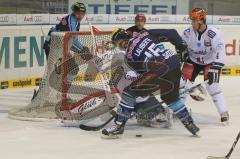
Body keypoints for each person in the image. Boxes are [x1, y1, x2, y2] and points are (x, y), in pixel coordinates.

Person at [102, 28, 200, 137]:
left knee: (129, 93)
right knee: (171, 99)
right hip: (174, 63)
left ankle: (118, 125)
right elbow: (171, 32)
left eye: (117, 44)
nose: (118, 46)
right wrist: (180, 45)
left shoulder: (129, 56)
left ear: (121, 42)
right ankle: (191, 125)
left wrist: (131, 105)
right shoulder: (145, 33)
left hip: (159, 69)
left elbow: (143, 75)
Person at [179, 8, 229, 124]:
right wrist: (181, 54)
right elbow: (182, 47)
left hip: (210, 62)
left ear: (200, 21)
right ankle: (178, 110)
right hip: (192, 61)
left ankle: (223, 112)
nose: (191, 23)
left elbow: (220, 50)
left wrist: (215, 67)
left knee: (213, 86)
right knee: (182, 84)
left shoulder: (214, 33)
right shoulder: (187, 32)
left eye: (194, 20)